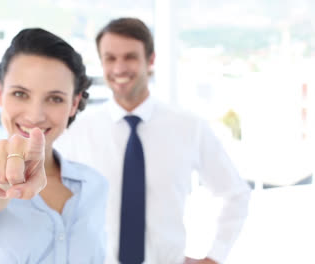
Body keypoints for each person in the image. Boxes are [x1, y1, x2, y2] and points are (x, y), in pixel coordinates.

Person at [55, 17, 251, 264]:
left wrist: (214, 256)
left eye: (130, 57)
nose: (119, 69)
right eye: (110, 58)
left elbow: (235, 194)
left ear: (151, 60)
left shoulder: (188, 127)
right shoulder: (77, 132)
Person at [0, 28, 108, 264]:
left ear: (74, 104)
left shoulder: (95, 185)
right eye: (20, 94)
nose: (35, 116)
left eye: (55, 98)